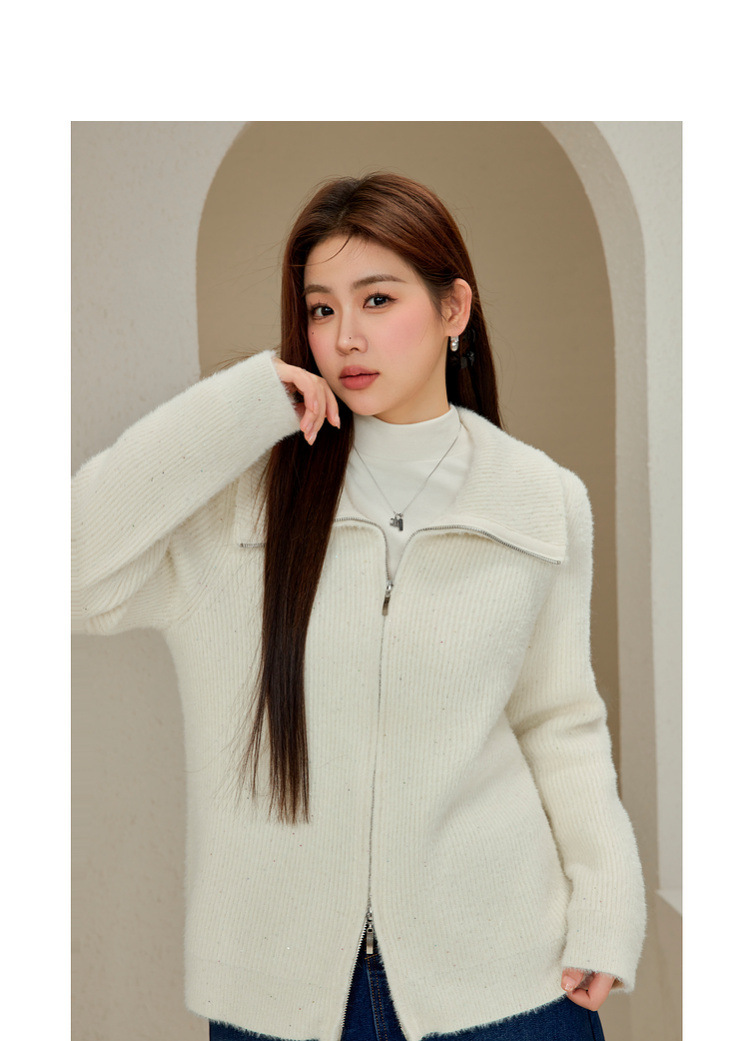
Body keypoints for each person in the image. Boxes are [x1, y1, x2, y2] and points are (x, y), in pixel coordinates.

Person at [72, 172, 646, 1041]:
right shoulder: (241, 500)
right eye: (322, 308)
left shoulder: (539, 497)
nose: (346, 336)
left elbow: (559, 720)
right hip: (280, 998)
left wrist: (606, 903)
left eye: (377, 298)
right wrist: (237, 405)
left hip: (508, 983)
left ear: (454, 308)